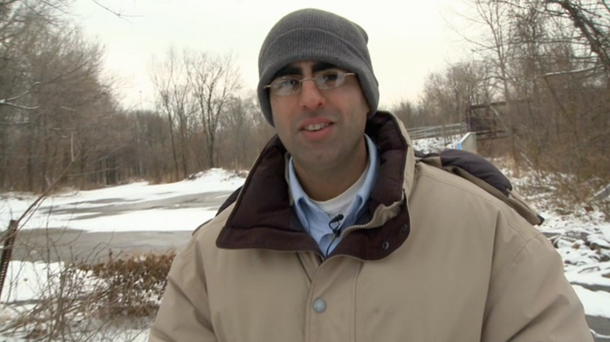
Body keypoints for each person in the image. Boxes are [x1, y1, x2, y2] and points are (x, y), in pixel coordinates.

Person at [149, 8, 593, 342]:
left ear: (366, 95)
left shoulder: (490, 231)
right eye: (287, 82)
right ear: (270, 107)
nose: (309, 98)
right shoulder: (213, 257)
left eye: (329, 75)